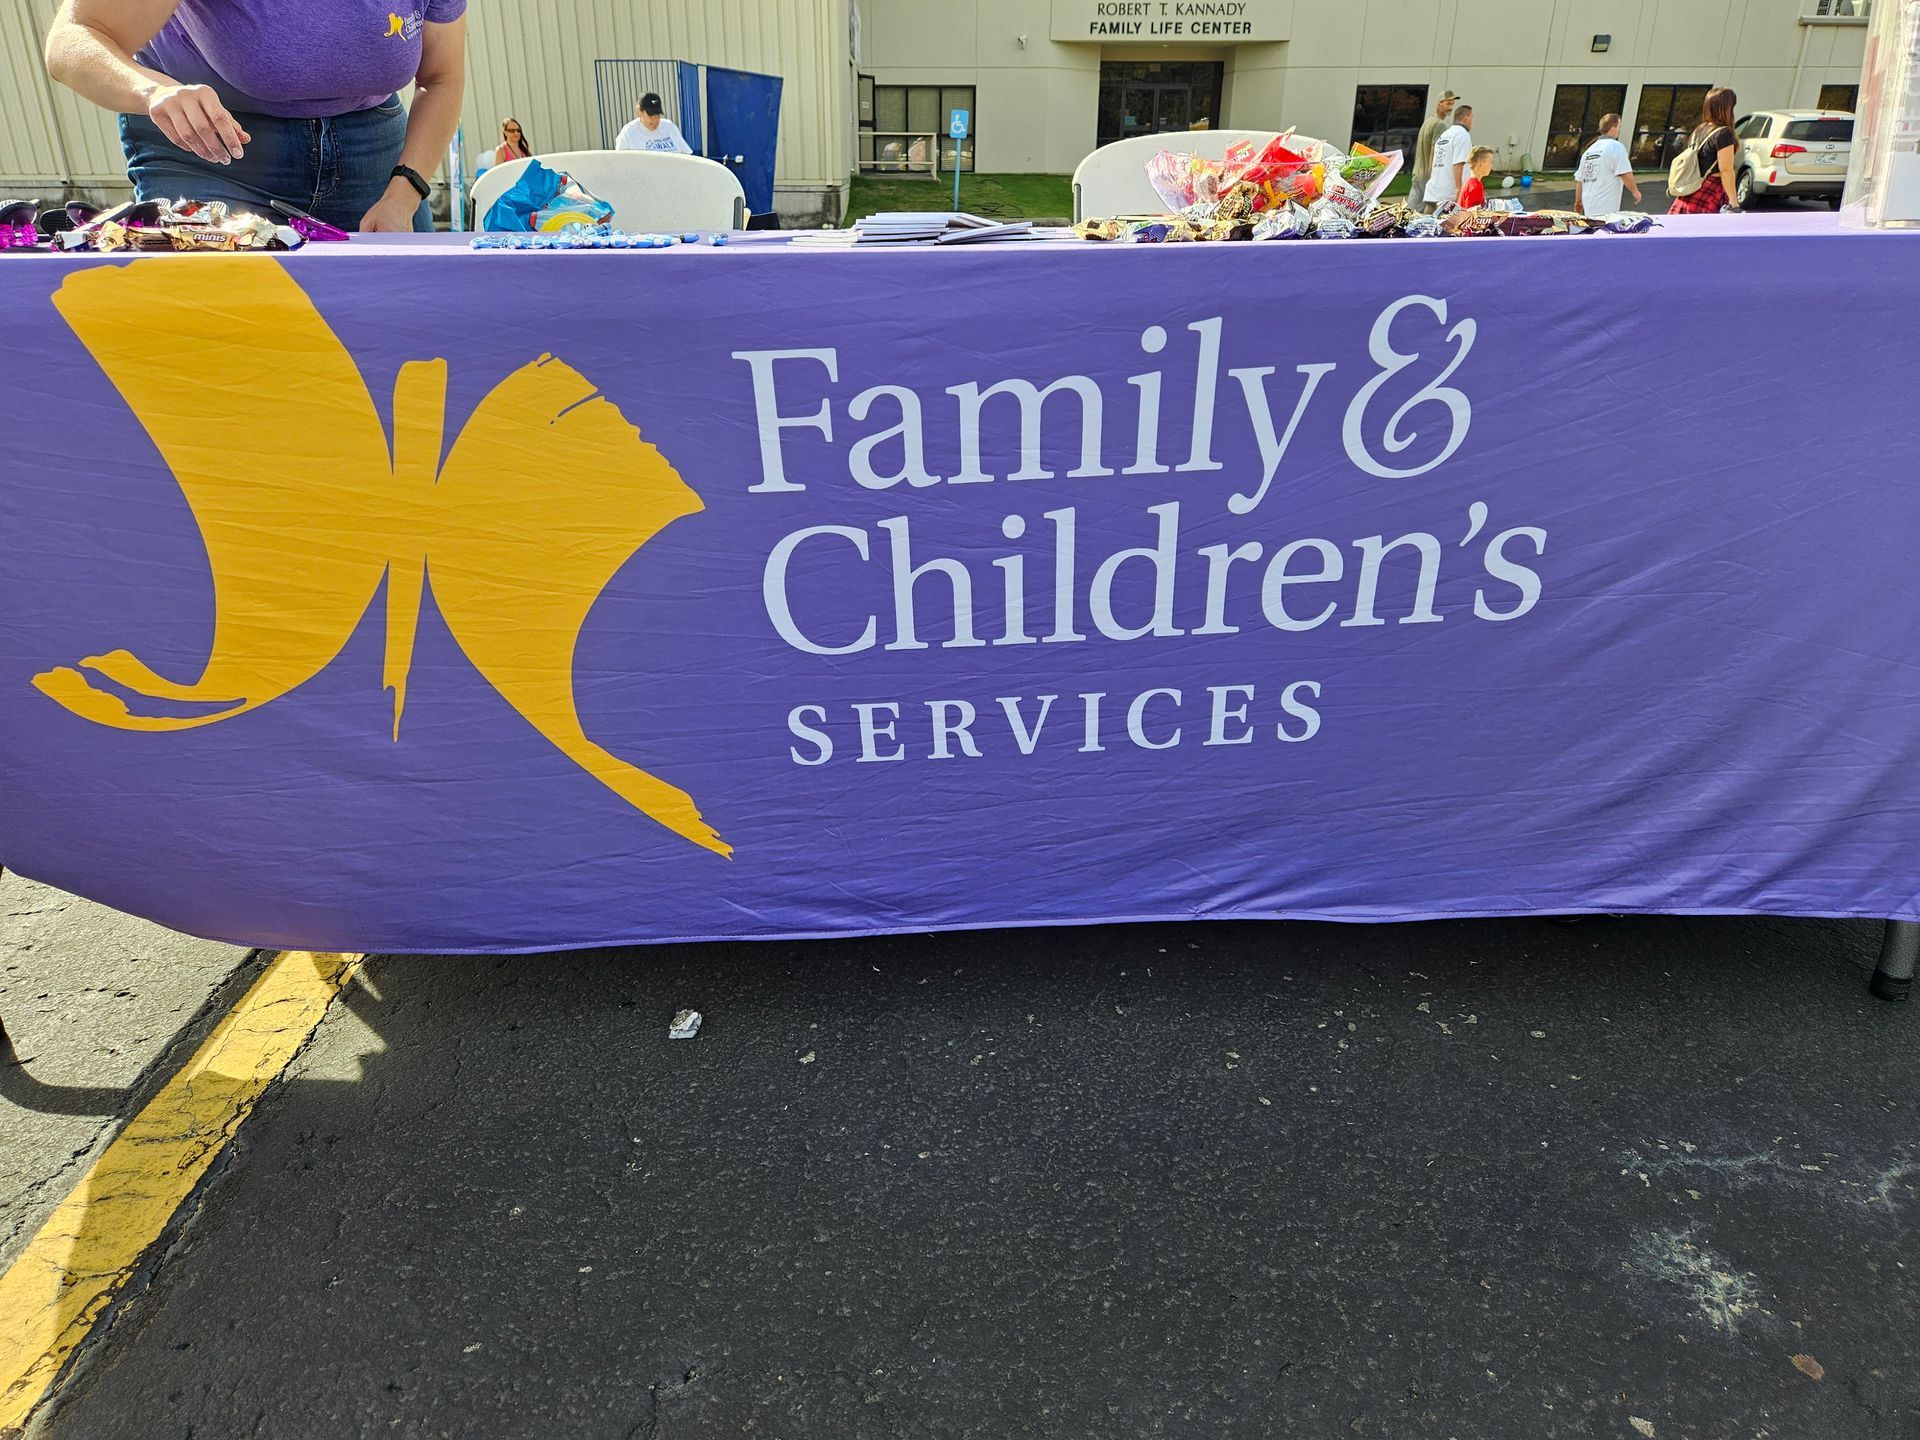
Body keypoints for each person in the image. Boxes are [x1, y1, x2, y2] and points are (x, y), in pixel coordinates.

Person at [42, 0, 466, 233]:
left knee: (396, 321)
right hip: (211, 147)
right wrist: (154, 90)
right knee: (226, 335)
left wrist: (403, 196)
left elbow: (441, 79)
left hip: (374, 151)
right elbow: (74, 38)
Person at [1669, 87, 1743, 215]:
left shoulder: (1700, 129)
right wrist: (1733, 201)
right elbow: (1726, 169)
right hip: (1711, 189)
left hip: (1693, 187)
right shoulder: (1724, 133)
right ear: (1727, 108)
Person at [1573, 113, 1641, 215]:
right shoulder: (1616, 147)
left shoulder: (1589, 151)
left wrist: (1578, 202)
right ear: (1612, 128)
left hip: (1589, 203)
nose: (1619, 130)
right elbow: (1624, 173)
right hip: (1605, 204)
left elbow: (1580, 180)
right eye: (1619, 126)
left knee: (1592, 229)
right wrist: (1635, 191)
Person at [1410, 90, 1457, 212]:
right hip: (1426, 175)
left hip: (1418, 173)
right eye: (1448, 104)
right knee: (1421, 215)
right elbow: (1436, 152)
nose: (1451, 108)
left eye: (1452, 104)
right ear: (1440, 103)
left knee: (1410, 211)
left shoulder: (1428, 121)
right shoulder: (1440, 125)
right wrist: (1434, 178)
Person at [1423, 102, 1473, 210]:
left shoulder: (1444, 135)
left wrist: (1432, 178)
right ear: (1466, 118)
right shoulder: (1463, 135)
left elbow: (1432, 159)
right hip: (1448, 194)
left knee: (1426, 223)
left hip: (1434, 190)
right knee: (1448, 225)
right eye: (1471, 118)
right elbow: (1458, 163)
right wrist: (1459, 189)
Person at [616, 93, 692, 154]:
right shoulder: (628, 133)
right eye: (651, 115)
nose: (655, 119)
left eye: (657, 115)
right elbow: (622, 163)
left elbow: (686, 154)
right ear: (640, 112)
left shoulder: (669, 126)